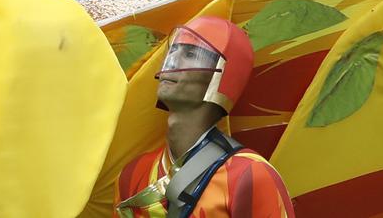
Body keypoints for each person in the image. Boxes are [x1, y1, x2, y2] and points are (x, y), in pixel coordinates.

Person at [115, 15, 294, 217]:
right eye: (173, 50)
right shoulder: (133, 173)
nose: (172, 62)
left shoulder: (250, 174)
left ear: (223, 74)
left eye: (191, 53)